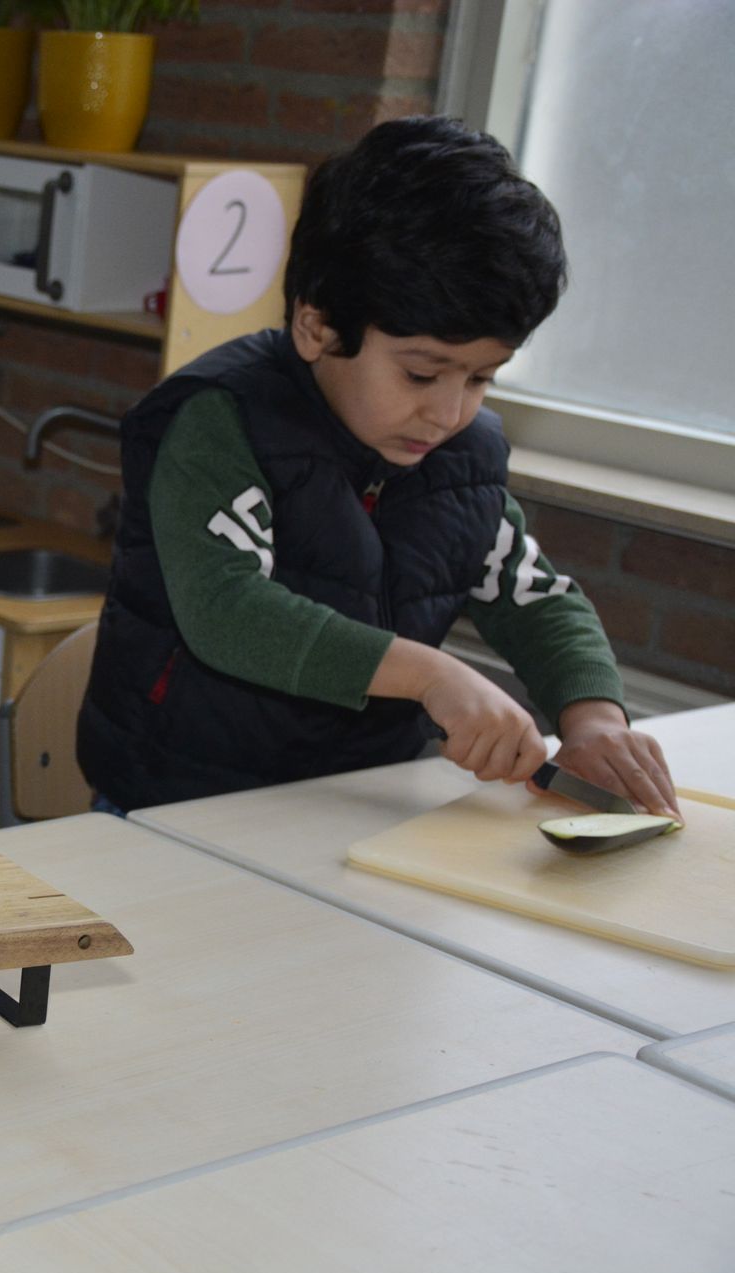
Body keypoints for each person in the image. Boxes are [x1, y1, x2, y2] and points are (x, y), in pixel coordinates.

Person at [77, 115, 679, 819]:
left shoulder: (461, 459)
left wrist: (594, 718)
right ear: (317, 326)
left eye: (482, 378)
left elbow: (533, 598)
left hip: (352, 802)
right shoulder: (222, 420)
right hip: (173, 800)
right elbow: (226, 608)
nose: (449, 413)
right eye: (422, 374)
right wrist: (428, 674)